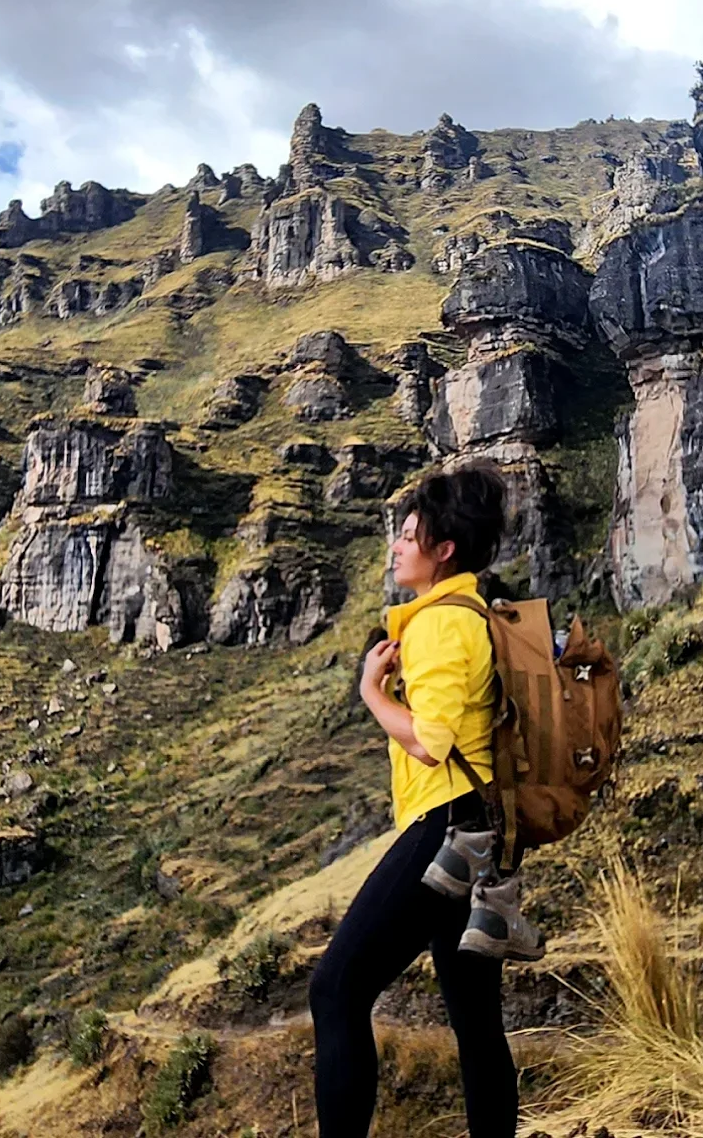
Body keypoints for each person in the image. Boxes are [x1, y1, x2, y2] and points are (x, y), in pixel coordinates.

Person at [309, 465, 523, 1138]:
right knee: (474, 1023)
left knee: (335, 990)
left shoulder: (438, 623)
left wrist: (372, 695)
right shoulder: (475, 614)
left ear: (444, 550)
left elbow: (432, 743)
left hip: (446, 830)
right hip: (483, 836)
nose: (395, 548)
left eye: (408, 536)